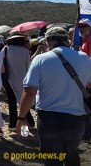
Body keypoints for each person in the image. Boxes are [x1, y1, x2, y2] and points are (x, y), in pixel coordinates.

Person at [17, 27, 91, 165]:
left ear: (48, 41)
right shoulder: (84, 57)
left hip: (49, 118)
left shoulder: (40, 59)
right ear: (66, 41)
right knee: (72, 156)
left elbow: (29, 92)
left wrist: (21, 118)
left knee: (51, 160)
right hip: (76, 118)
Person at [2, 35, 35, 130]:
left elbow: (1, 64)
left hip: (9, 79)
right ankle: (31, 122)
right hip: (23, 80)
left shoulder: (6, 49)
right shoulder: (25, 51)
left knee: (12, 102)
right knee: (23, 101)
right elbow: (28, 67)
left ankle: (12, 124)